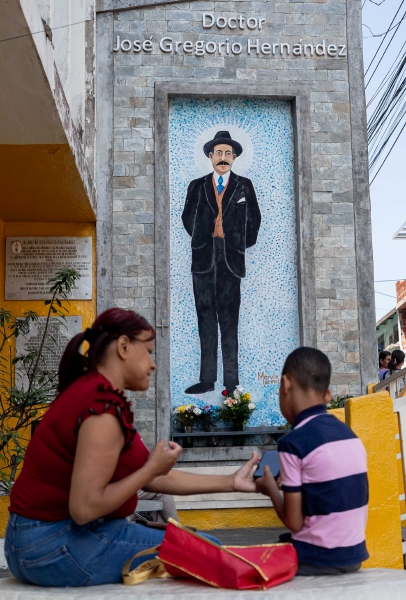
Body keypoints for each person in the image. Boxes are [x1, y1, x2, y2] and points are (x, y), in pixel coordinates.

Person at [5, 308, 260, 587]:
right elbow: (85, 508)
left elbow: (160, 476)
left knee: (199, 546)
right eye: (149, 351)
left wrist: (231, 482)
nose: (153, 364)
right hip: (53, 547)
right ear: (124, 346)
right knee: (207, 551)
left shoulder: (93, 393)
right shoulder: (101, 409)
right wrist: (150, 469)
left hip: (36, 543)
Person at [256, 347, 369, 576]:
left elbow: (294, 522)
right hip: (354, 556)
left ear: (286, 385)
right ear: (326, 395)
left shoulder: (293, 444)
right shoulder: (350, 435)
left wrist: (270, 490)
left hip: (316, 559)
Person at [181, 130, 261, 395]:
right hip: (203, 257)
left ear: (235, 157)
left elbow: (254, 220)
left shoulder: (244, 186)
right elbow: (186, 218)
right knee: (205, 317)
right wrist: (203, 236)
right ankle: (207, 379)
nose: (223, 158)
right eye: (219, 153)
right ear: (210, 156)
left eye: (228, 153)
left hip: (230, 259)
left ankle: (230, 381)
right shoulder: (197, 185)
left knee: (229, 320)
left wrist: (237, 243)